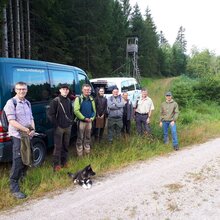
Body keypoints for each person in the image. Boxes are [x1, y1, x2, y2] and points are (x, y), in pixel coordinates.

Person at [4, 82, 35, 199]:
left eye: (24, 89)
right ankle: (14, 188)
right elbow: (11, 121)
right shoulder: (11, 103)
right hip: (17, 136)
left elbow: (31, 118)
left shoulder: (27, 102)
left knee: (27, 157)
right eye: (19, 89)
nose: (22, 91)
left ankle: (23, 178)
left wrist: (32, 129)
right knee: (18, 160)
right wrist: (26, 130)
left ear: (26, 90)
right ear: (15, 90)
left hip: (28, 135)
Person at [48, 83, 73, 171]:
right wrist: (57, 125)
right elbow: (51, 115)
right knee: (57, 147)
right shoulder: (55, 101)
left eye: (67, 89)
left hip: (68, 127)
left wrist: (70, 122)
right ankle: (56, 165)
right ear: (60, 90)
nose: (65, 90)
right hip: (59, 128)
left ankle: (64, 162)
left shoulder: (69, 100)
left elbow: (71, 112)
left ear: (68, 91)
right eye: (63, 89)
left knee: (66, 146)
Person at [74, 84, 96, 156]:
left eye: (88, 90)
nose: (87, 91)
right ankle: (80, 155)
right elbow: (76, 111)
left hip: (89, 122)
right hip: (81, 122)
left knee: (88, 137)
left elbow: (94, 111)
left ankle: (87, 153)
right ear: (82, 90)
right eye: (85, 90)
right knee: (80, 138)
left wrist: (92, 118)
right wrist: (84, 118)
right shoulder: (79, 99)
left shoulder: (91, 99)